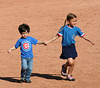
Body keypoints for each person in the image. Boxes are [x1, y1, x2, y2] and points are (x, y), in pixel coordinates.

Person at [45, 13, 95, 81]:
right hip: (65, 47)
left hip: (72, 46)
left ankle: (69, 75)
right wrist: (48, 41)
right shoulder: (63, 28)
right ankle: (64, 67)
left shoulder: (77, 29)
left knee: (73, 63)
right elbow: (57, 36)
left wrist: (90, 41)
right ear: (68, 21)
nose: (75, 23)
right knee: (70, 62)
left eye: (76, 21)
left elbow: (83, 36)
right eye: (73, 21)